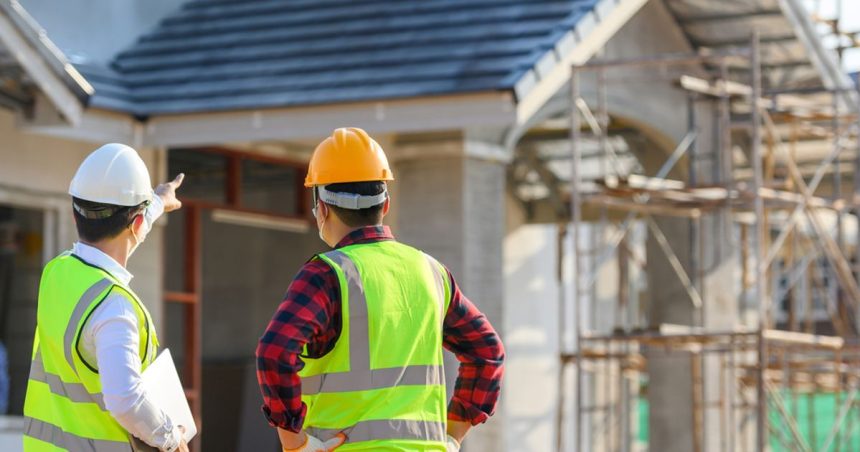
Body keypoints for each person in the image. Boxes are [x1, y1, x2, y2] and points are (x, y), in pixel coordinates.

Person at [256, 128, 505, 452]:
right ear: (385, 204)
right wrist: (452, 435)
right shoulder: (431, 271)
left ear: (323, 208)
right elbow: (487, 351)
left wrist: (296, 443)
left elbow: (274, 352)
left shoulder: (326, 275)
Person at [23, 143, 190, 451]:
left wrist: (155, 202)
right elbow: (124, 399)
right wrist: (170, 436)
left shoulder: (57, 273)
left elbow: (116, 246)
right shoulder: (114, 307)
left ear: (76, 215)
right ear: (136, 224)